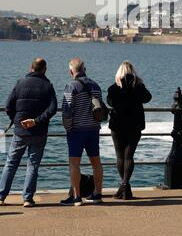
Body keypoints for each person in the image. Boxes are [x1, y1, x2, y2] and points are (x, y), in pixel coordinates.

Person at [0, 58, 57, 208]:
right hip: (38, 132)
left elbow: (8, 106)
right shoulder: (48, 86)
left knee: (11, 163)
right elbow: (52, 109)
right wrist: (36, 121)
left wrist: (17, 121)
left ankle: (1, 196)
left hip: (20, 132)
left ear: (31, 68)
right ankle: (27, 198)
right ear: (45, 69)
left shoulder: (20, 83)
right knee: (33, 165)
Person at [61, 58, 103, 206]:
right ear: (85, 69)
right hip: (93, 129)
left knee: (74, 164)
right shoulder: (96, 86)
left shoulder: (71, 86)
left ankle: (77, 197)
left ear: (71, 71)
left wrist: (68, 128)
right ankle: (97, 194)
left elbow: (67, 111)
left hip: (77, 131)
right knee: (96, 163)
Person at [107, 61, 152, 200]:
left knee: (120, 157)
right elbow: (148, 98)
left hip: (117, 126)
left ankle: (124, 186)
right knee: (129, 156)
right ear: (133, 72)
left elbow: (110, 102)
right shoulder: (138, 86)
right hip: (134, 126)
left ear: (119, 73)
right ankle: (125, 186)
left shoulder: (114, 88)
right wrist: (139, 83)